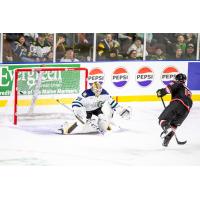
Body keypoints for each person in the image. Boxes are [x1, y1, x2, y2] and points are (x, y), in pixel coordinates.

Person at [59, 82, 131, 134]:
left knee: (103, 119)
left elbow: (113, 103)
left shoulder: (105, 93)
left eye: (99, 90)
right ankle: (66, 127)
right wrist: (77, 110)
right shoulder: (86, 93)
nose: (98, 92)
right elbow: (76, 102)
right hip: (86, 110)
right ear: (92, 89)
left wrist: (121, 110)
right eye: (96, 91)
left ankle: (106, 126)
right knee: (82, 122)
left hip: (97, 109)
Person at [156, 73, 193, 147]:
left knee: (162, 119)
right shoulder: (188, 90)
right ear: (185, 80)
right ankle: (167, 140)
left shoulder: (176, 82)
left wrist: (160, 92)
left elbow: (167, 89)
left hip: (178, 103)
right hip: (187, 109)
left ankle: (167, 128)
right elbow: (188, 101)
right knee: (174, 124)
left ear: (176, 79)